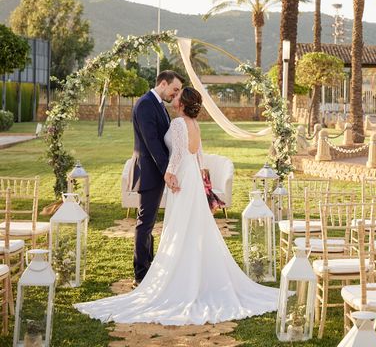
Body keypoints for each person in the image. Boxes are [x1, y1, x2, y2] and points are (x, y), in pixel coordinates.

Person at [75, 87, 279, 325]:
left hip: (182, 176)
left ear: (183, 103)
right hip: (191, 174)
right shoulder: (193, 123)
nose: (175, 96)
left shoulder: (180, 124)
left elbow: (179, 153)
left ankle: (181, 274)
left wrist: (169, 174)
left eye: (179, 95)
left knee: (181, 224)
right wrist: (201, 176)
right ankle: (191, 269)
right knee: (191, 223)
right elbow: (199, 154)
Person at [130, 70, 184, 285]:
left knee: (149, 222)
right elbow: (152, 142)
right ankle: (141, 273)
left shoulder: (158, 104)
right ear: (163, 83)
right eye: (175, 89)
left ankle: (148, 265)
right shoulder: (145, 104)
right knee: (144, 223)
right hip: (150, 172)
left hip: (157, 172)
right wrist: (167, 172)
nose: (175, 94)